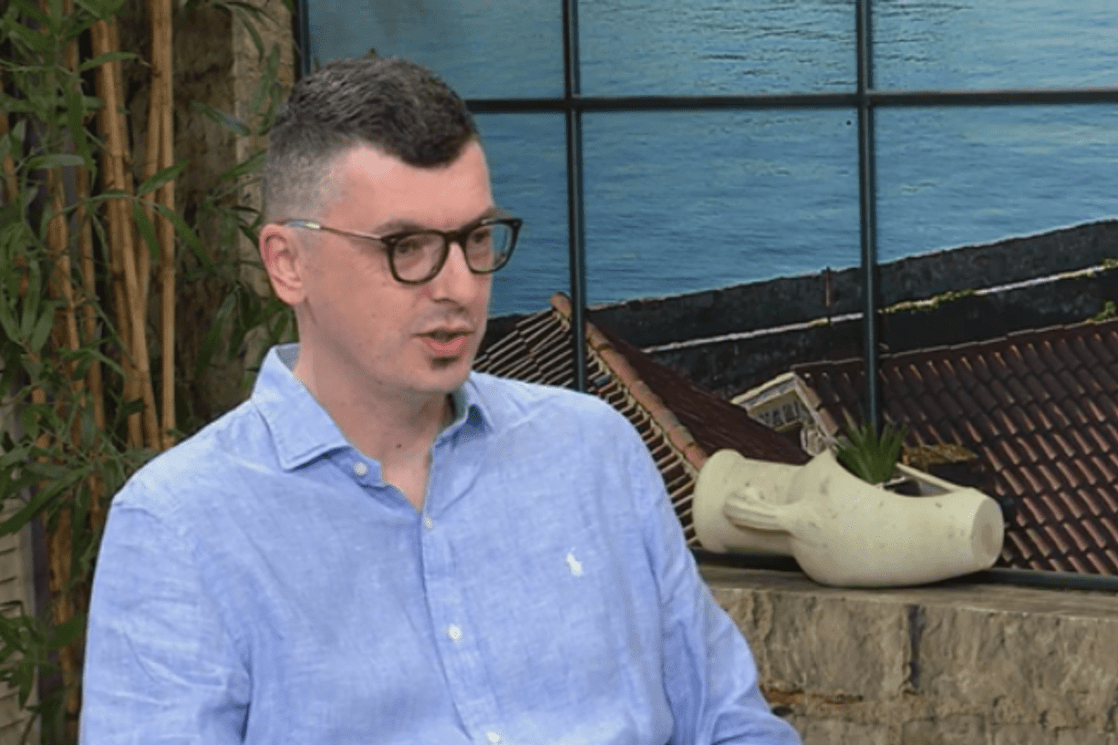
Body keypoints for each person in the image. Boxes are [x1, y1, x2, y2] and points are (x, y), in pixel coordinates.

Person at [80, 55, 802, 745]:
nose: (458, 286)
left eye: (475, 238)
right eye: (407, 247)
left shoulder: (594, 452)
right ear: (288, 263)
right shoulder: (181, 526)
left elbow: (731, 723)